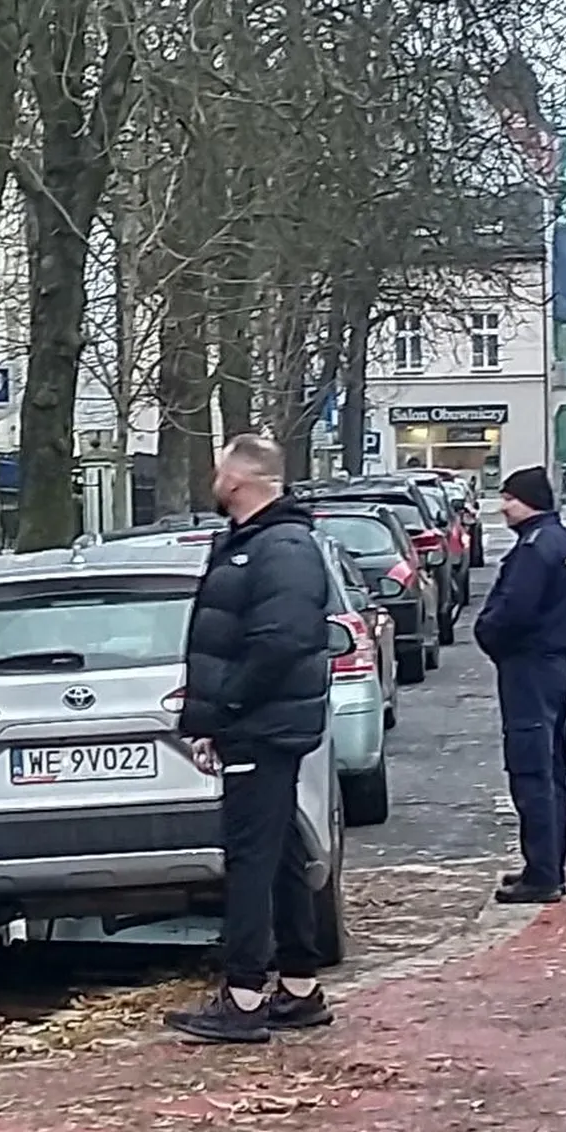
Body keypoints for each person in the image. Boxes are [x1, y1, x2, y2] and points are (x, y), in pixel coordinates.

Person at [164, 435, 334, 1045]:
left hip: (261, 727)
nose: (213, 476)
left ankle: (241, 997)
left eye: (220, 467)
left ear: (241, 478)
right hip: (262, 722)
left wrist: (225, 708)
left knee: (250, 858)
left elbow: (279, 641)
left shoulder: (280, 547)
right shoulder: (255, 543)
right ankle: (298, 984)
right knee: (281, 849)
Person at [475, 466, 566, 905]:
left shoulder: (535, 549)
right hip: (554, 666)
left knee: (531, 769)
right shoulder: (562, 543)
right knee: (553, 769)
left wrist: (488, 634)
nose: (503, 507)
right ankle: (547, 865)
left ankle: (542, 875)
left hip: (529, 668)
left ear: (528, 500)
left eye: (509, 498)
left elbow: (513, 611)